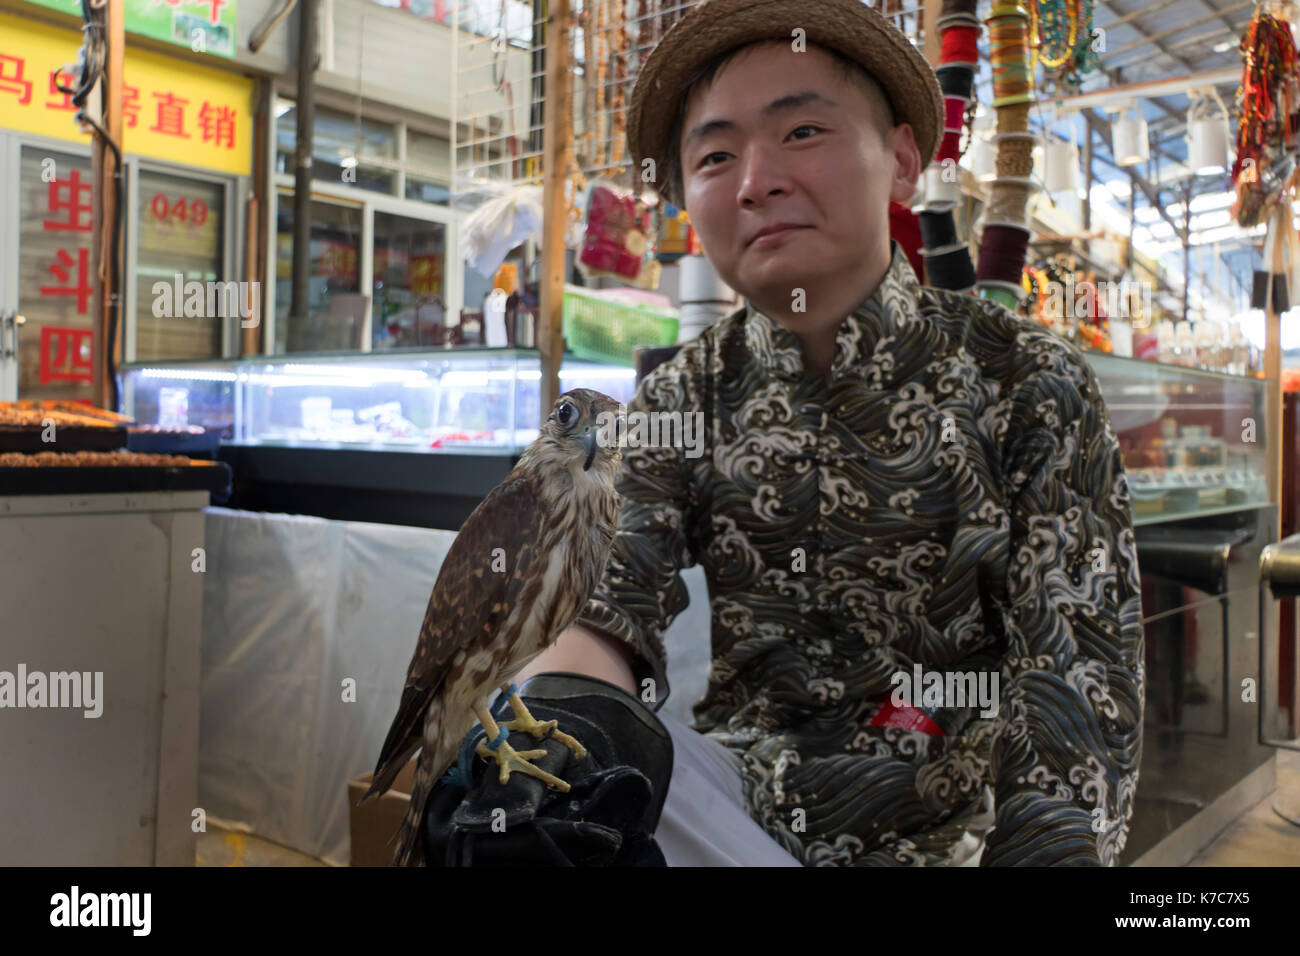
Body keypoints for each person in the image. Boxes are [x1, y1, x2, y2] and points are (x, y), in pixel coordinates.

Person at [426, 0, 1144, 867]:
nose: (754, 180)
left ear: (904, 161)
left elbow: (1073, 690)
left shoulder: (1027, 381)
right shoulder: (682, 393)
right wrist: (561, 731)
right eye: (717, 154)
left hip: (962, 828)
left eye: (802, 132)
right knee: (542, 779)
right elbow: (606, 598)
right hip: (740, 815)